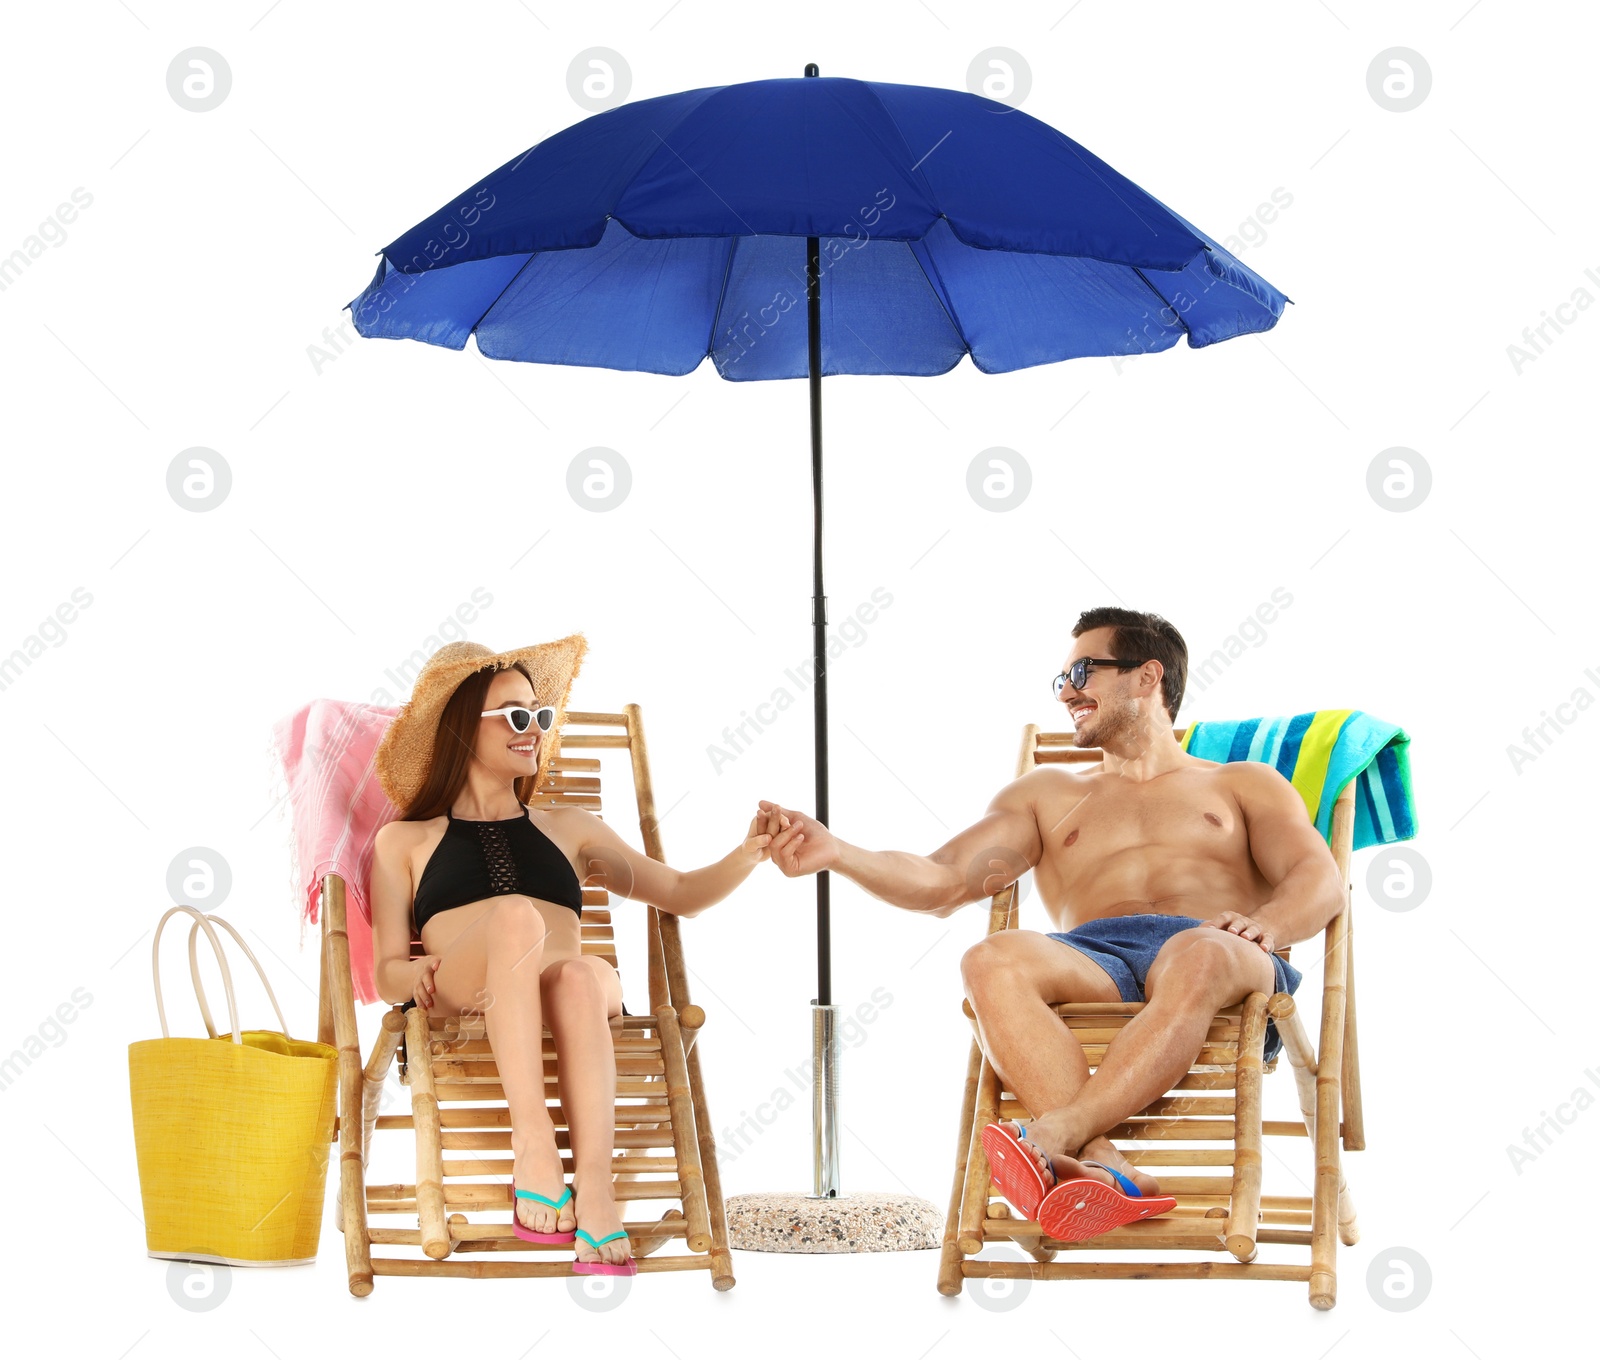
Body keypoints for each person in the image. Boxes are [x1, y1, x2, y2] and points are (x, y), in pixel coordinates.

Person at [759, 606, 1345, 1241]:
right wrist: (839, 853)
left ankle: (1057, 1134)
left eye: (1083, 671)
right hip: (1099, 958)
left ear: (1148, 677)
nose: (1067, 690)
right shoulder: (1047, 794)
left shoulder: (1243, 783)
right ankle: (1103, 1165)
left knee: (1197, 951)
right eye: (1062, 678)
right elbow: (942, 881)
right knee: (991, 958)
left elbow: (1319, 880)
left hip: (1224, 955)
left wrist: (1265, 924)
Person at [371, 637, 780, 1273]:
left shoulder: (572, 828)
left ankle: (594, 1187)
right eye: (514, 716)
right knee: (514, 914)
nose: (532, 730)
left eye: (539, 715)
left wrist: (749, 852)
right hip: (467, 991)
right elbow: (385, 969)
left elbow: (677, 892)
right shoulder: (404, 841)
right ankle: (533, 1139)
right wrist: (412, 972)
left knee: (585, 973)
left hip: (571, 998)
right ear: (458, 730)